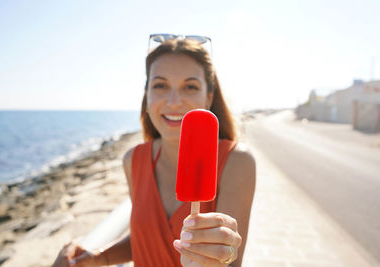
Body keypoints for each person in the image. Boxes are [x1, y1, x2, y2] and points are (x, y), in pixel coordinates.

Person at [52, 34, 256, 267]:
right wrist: (98, 257)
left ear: (208, 98)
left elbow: (231, 260)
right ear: (146, 95)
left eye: (190, 86)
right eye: (160, 85)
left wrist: (224, 255)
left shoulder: (237, 161)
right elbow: (144, 238)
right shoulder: (133, 160)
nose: (174, 101)